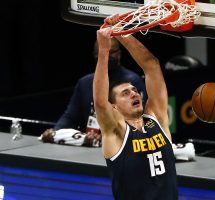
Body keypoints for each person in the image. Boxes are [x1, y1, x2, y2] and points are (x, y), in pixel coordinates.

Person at [93, 14, 178, 200]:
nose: (134, 93)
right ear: (114, 107)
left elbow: (152, 65)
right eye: (125, 93)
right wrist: (104, 50)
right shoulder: (116, 132)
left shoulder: (157, 117)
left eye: (134, 90)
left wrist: (122, 31)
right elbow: (100, 102)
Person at [40, 37, 147, 147]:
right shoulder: (84, 83)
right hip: (90, 144)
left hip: (124, 145)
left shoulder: (132, 82)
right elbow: (71, 116)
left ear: (119, 54)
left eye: (111, 52)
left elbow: (140, 118)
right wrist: (55, 132)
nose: (107, 56)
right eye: (102, 53)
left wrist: (110, 136)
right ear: (95, 55)